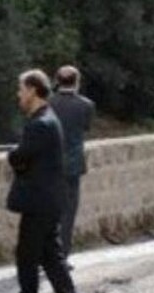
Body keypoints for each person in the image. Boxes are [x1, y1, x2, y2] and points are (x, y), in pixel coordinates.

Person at [0, 69, 84, 293]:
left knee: (27, 256)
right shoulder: (45, 119)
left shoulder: (40, 124)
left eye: (21, 89)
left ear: (33, 90)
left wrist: (14, 154)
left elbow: (20, 157)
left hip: (40, 201)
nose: (18, 95)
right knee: (50, 255)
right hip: (48, 200)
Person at [48, 65, 95, 261]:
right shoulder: (86, 105)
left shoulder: (48, 103)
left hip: (49, 165)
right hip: (73, 165)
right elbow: (86, 128)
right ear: (77, 82)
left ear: (57, 80)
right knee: (68, 212)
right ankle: (62, 254)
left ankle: (46, 252)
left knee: (49, 211)